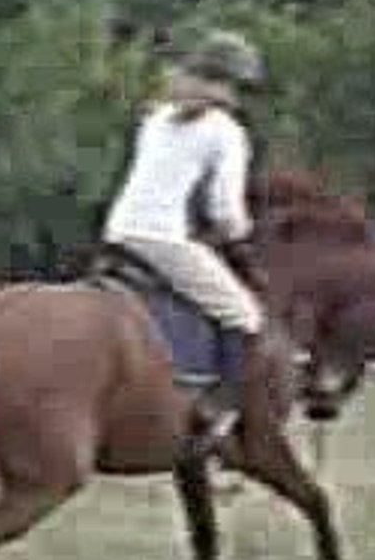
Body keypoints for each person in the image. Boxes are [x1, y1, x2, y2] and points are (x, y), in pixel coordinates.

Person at [100, 29, 271, 456]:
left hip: (117, 234)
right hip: (161, 240)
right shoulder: (225, 132)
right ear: (229, 82)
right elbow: (224, 211)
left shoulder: (156, 118)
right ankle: (221, 410)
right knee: (246, 317)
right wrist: (242, 242)